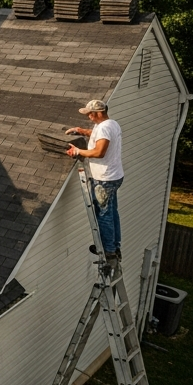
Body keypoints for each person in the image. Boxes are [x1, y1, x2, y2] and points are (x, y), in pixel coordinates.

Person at [66, 99, 124, 273]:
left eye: (90, 114)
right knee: (112, 212)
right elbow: (99, 136)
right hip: (114, 176)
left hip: (104, 179)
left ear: (98, 113)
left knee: (104, 215)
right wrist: (81, 131)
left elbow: (99, 152)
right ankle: (115, 246)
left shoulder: (105, 127)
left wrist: (78, 151)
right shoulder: (111, 124)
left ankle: (108, 252)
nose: (89, 117)